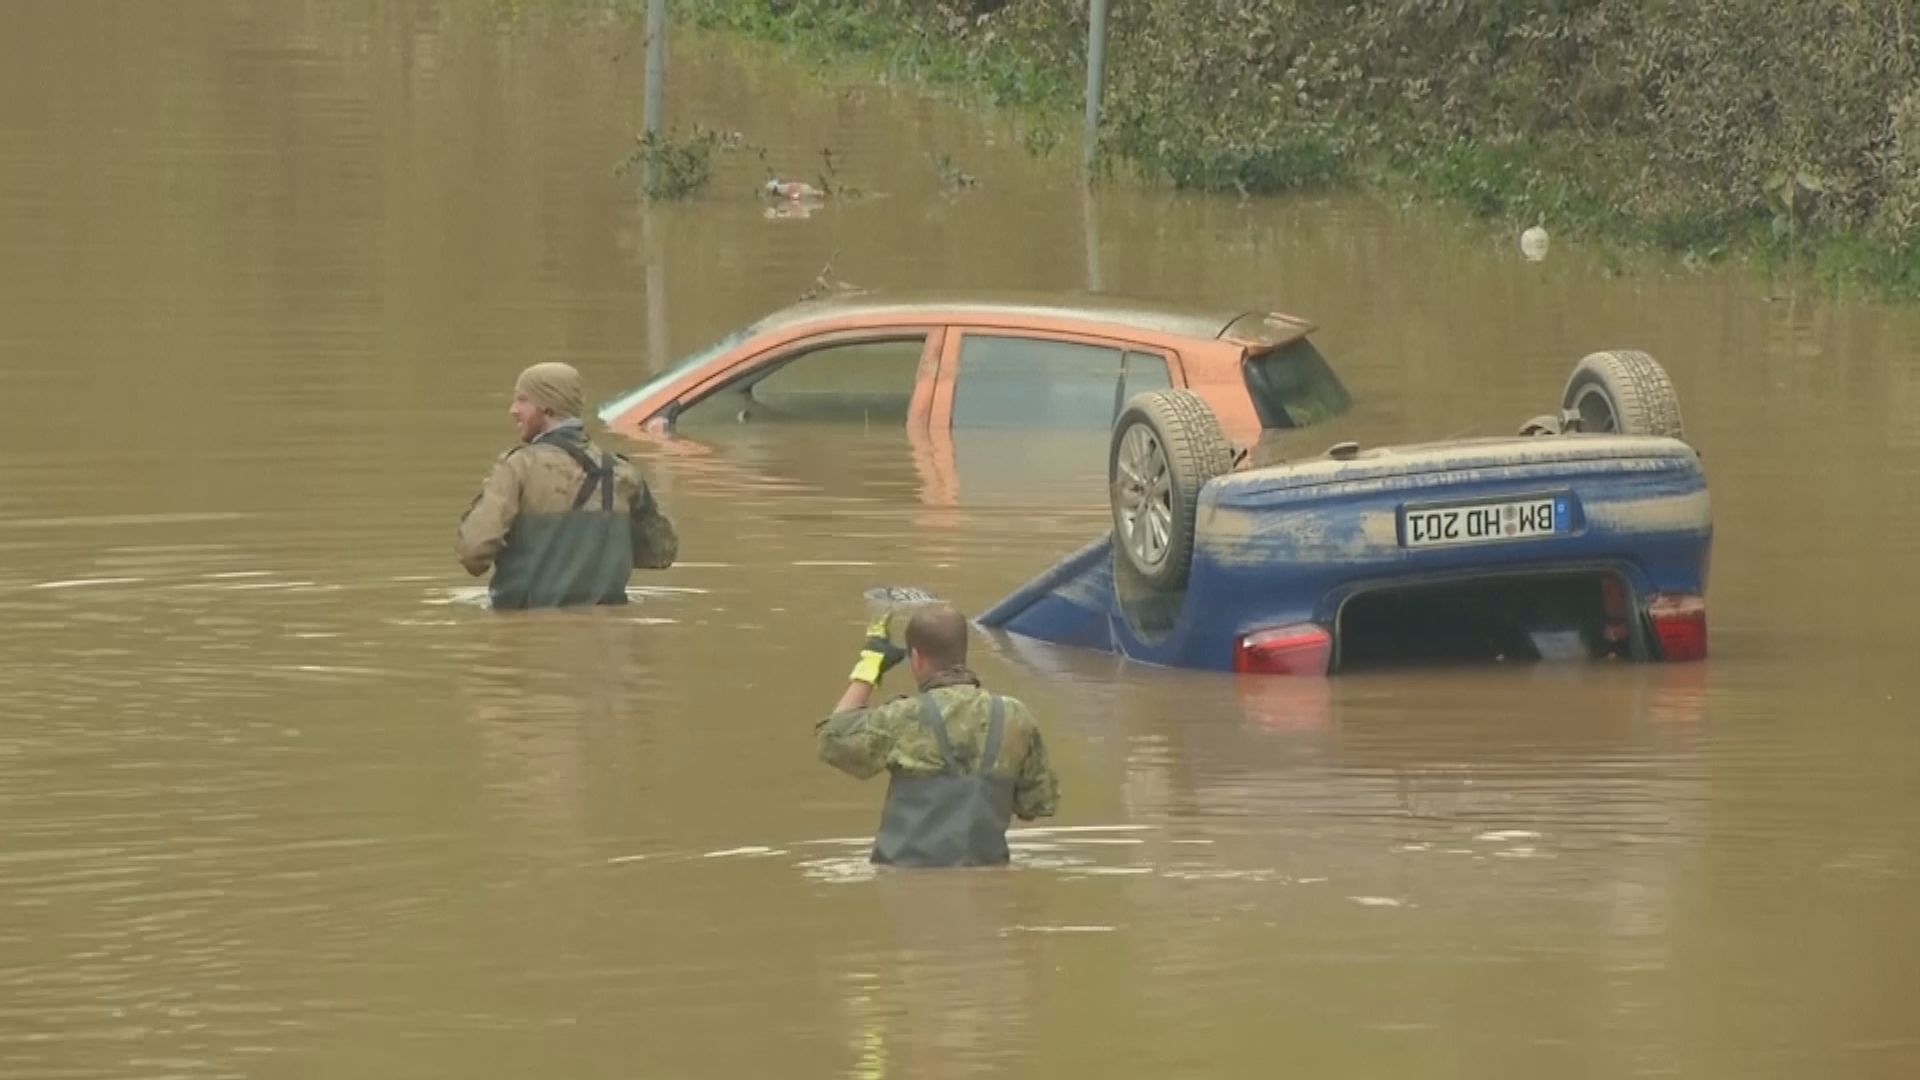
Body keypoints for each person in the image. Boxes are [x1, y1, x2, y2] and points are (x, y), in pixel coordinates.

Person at [815, 603, 1059, 867]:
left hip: (906, 886)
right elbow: (1035, 806)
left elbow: (833, 739)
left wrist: (869, 666)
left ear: (916, 658)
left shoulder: (903, 717)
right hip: (986, 886)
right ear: (963, 654)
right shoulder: (1015, 716)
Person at [456, 361, 678, 610]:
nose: (513, 410)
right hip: (609, 640)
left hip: (531, 637)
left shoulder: (518, 467)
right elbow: (660, 553)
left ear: (548, 409)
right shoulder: (622, 472)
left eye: (522, 400)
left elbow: (474, 552)